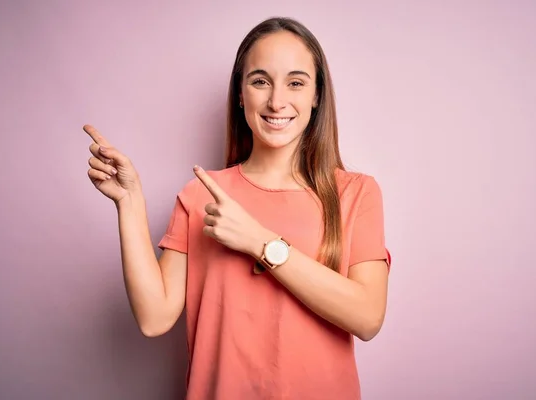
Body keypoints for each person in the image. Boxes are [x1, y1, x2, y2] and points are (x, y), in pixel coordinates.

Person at [84, 16, 391, 400]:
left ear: (316, 95)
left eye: (296, 83)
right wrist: (129, 201)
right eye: (260, 81)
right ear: (241, 94)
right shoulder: (201, 195)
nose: (277, 100)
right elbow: (154, 317)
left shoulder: (356, 193)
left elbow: (368, 317)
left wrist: (261, 242)